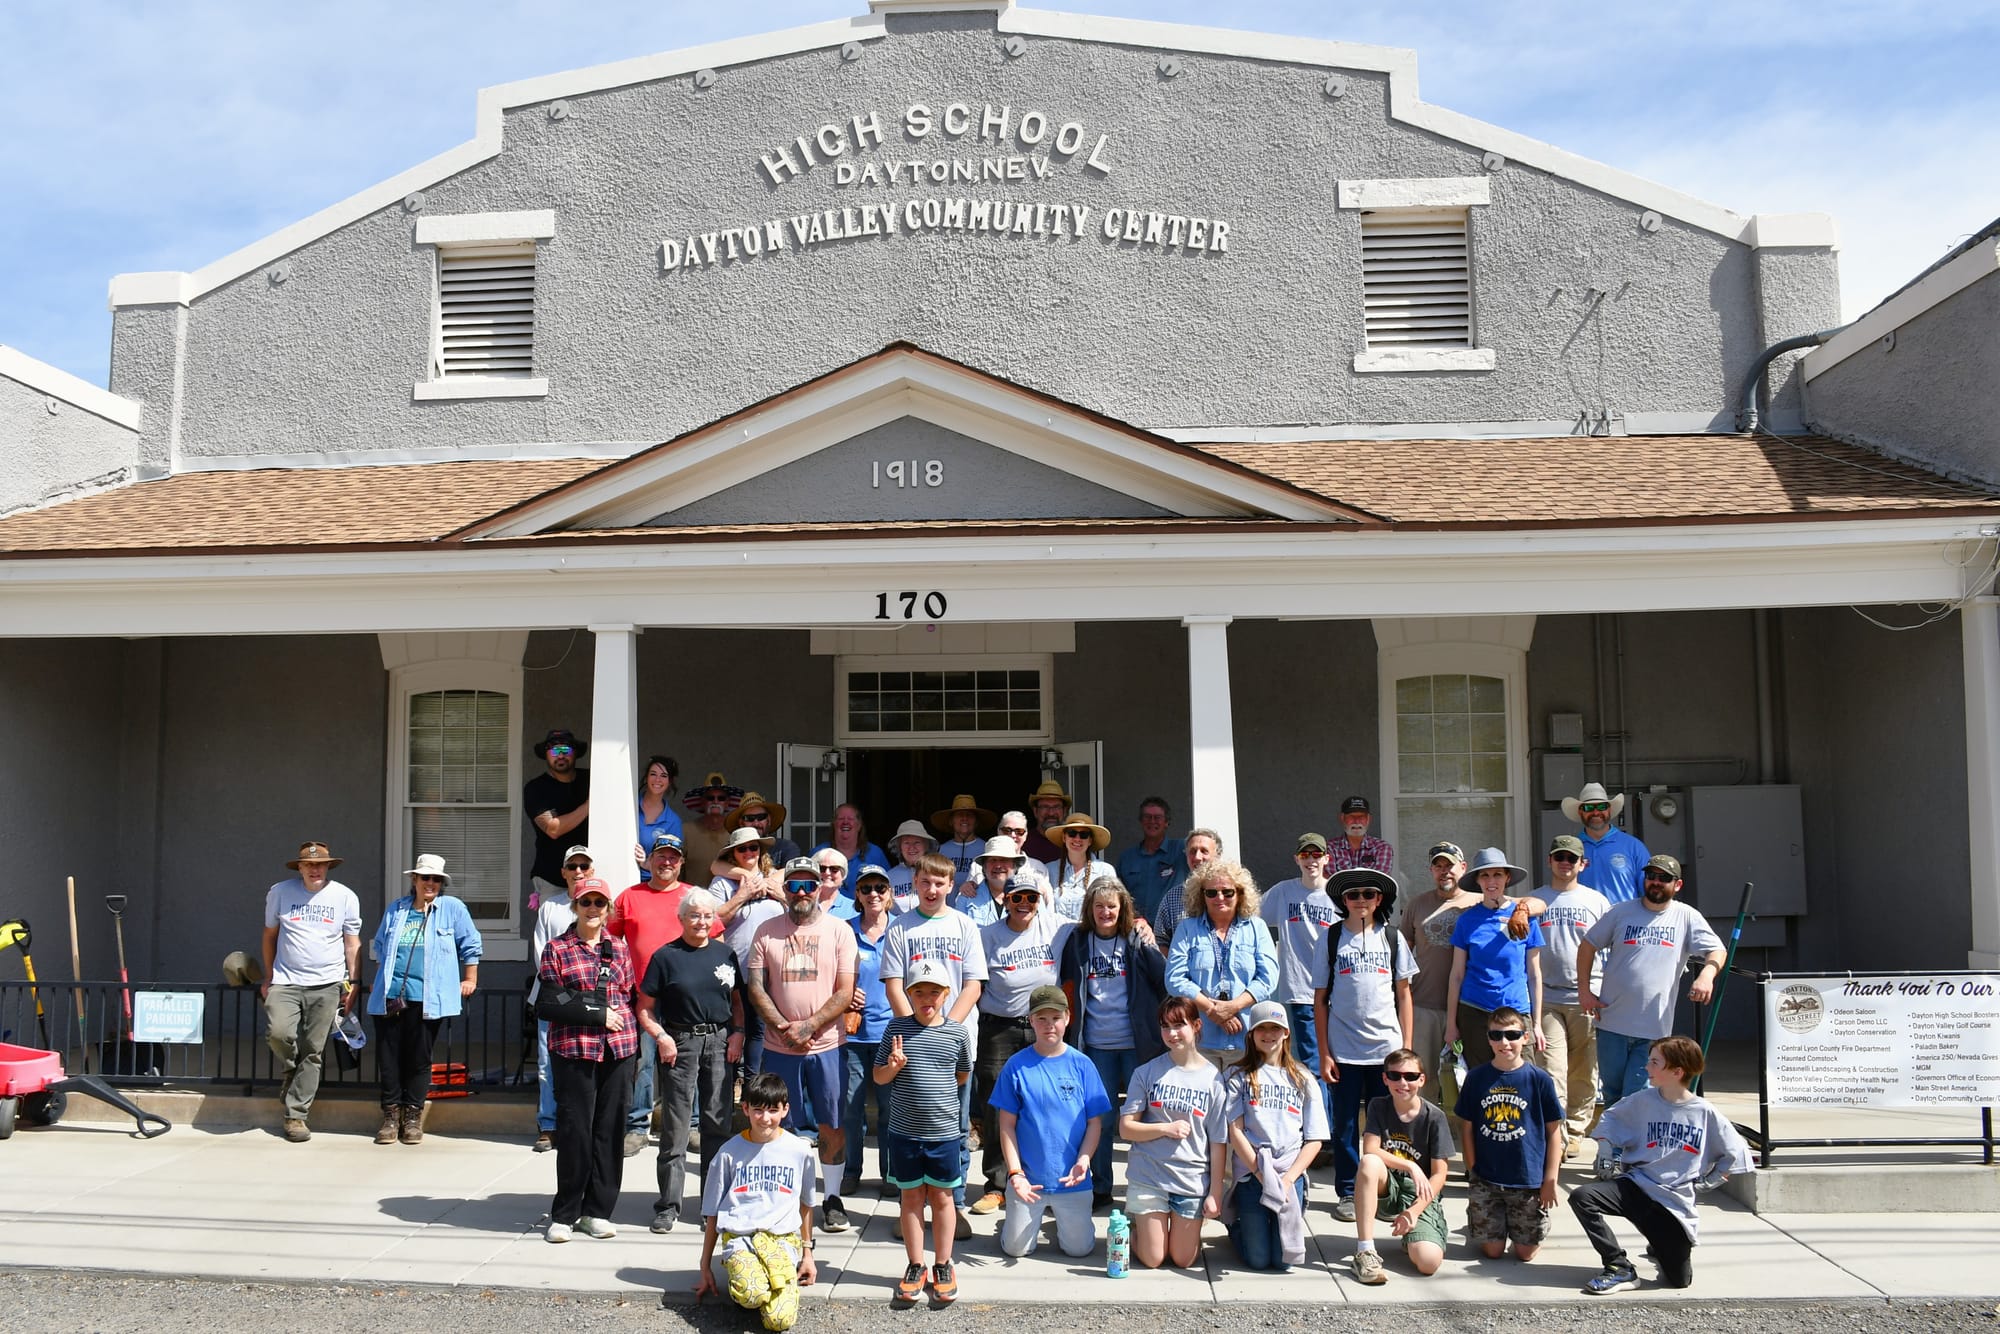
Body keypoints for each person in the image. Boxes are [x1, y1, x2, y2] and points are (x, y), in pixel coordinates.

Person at [1571, 1035, 1752, 1294]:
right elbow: (1611, 1119)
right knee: (1582, 1197)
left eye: (1655, 1062)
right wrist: (1606, 1149)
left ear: (1677, 1072)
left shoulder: (1704, 1112)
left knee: (1679, 1281)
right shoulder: (1642, 1100)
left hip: (1673, 1206)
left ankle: (1660, 1244)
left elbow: (1736, 1152)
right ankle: (1618, 1266)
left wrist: (1713, 1179)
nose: (1647, 1067)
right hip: (1635, 1188)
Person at [748, 855, 860, 1235]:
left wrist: (810, 1025)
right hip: (779, 1046)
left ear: (819, 888)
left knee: (832, 1123)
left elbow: (845, 990)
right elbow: (756, 987)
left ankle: (832, 1198)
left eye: (808, 885)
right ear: (784, 890)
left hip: (827, 1045)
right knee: (778, 1123)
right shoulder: (766, 931)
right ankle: (787, 1198)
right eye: (793, 885)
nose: (801, 892)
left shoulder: (839, 931)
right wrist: (784, 1027)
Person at [880, 853, 987, 1234]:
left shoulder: (965, 926)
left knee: (955, 1128)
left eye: (940, 883)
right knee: (909, 1127)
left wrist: (946, 1031)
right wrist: (915, 1030)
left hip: (955, 1043)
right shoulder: (900, 928)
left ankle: (954, 1206)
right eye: (925, 882)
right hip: (910, 1046)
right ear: (915, 882)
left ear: (951, 886)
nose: (932, 889)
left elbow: (973, 985)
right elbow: (894, 984)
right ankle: (911, 1206)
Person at [636, 888, 745, 1234]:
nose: (701, 921)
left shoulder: (726, 954)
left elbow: (737, 1001)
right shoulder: (665, 957)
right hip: (680, 1042)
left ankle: (712, 1206)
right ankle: (668, 1206)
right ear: (681, 918)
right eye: (694, 915)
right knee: (676, 1128)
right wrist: (662, 1037)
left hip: (719, 1042)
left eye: (708, 915)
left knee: (717, 1125)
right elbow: (644, 1007)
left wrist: (738, 1033)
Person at [1578, 854, 1726, 1103]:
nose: (1656, 882)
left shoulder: (1686, 916)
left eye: (1664, 878)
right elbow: (1588, 945)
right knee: (1612, 1094)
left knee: (1637, 1096)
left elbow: (1717, 950)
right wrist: (1584, 990)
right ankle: (1617, 1131)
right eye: (1651, 876)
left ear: (1677, 885)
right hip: (1611, 1022)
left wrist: (1706, 976)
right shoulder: (1621, 912)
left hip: (1653, 1030)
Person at [1312, 866, 1415, 1222]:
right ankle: (1348, 1190)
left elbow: (1404, 995)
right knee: (1344, 1125)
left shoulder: (1393, 938)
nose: (1360, 900)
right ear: (1343, 900)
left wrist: (1406, 1051)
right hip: (1344, 1050)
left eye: (1368, 894)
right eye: (1353, 895)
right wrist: (1324, 1053)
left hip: (1386, 1050)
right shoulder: (1330, 939)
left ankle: (1385, 1190)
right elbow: (1320, 1000)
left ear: (1379, 899)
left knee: (1386, 1125)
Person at [539, 875, 638, 1243]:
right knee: (575, 1131)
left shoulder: (620, 948)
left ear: (608, 908)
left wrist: (605, 1014)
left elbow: (626, 994)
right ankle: (565, 1213)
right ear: (575, 906)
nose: (592, 909)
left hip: (618, 1047)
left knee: (609, 1132)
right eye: (586, 902)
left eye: (599, 903)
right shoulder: (557, 948)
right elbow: (552, 999)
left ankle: (597, 1211)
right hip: (574, 1048)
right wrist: (596, 1013)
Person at [1060, 877, 1166, 1209]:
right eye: (1099, 906)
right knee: (1101, 1120)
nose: (1105, 912)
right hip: (1096, 1045)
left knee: (1142, 1118)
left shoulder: (1135, 939)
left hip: (1136, 1044)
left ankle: (1144, 1185)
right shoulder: (1078, 941)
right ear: (1089, 909)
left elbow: (1163, 980)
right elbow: (1067, 986)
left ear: (1122, 909)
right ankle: (1101, 1187)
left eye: (1112, 906)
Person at [968, 875, 1072, 1215]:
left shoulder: (1057, 927)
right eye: (1017, 898)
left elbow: (1099, 919)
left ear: (1040, 901)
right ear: (1005, 901)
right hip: (999, 1028)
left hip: (1044, 1028)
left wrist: (1140, 923)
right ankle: (998, 1185)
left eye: (1031, 897)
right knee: (997, 1106)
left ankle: (1048, 1183)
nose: (1024, 903)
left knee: (1047, 1104)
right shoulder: (986, 936)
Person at [875, 956, 974, 1307]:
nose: (927, 999)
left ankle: (943, 1264)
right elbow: (879, 1077)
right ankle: (916, 1264)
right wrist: (893, 1066)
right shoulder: (896, 1029)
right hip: (904, 1134)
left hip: (944, 1134)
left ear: (947, 994)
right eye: (919, 992)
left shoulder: (957, 1033)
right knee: (911, 1199)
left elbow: (962, 1074)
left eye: (934, 992)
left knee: (943, 1199)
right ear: (909, 994)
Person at [365, 853, 481, 1147]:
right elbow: (381, 947)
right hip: (391, 996)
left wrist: (470, 979)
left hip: (428, 998)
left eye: (436, 879)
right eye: (425, 877)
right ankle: (391, 1116)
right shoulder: (397, 909)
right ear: (414, 880)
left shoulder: (452, 908)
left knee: (419, 1058)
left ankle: (413, 1116)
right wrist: (379, 981)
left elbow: (470, 944)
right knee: (389, 1058)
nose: (430, 883)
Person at [992, 984, 1112, 1258]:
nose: (1049, 1025)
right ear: (1031, 1020)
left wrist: (1084, 1159)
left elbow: (1095, 1123)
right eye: (1041, 1018)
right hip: (1028, 1181)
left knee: (1079, 1250)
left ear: (1068, 1018)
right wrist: (1015, 1174)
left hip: (1071, 1180)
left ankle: (1060, 1222)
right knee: (1016, 1250)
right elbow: (1006, 1125)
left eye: (1056, 1018)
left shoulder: (1083, 1065)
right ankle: (1016, 1220)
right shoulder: (1015, 1066)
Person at [694, 1073, 819, 1332]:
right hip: (740, 1237)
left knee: (780, 1321)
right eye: (758, 1110)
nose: (765, 1118)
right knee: (751, 1294)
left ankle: (771, 1282)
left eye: (773, 1110)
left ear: (785, 1109)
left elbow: (806, 1205)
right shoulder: (728, 1153)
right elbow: (713, 1212)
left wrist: (808, 1255)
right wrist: (704, 1265)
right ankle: (752, 1285)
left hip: (782, 1239)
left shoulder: (800, 1151)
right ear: (745, 1109)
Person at [261, 840, 362, 1143]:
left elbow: (352, 943)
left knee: (313, 1051)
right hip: (286, 980)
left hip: (328, 983)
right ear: (300, 867)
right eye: (309, 864)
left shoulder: (345, 896)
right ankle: (291, 1071)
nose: (315, 869)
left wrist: (353, 983)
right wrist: (269, 976)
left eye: (320, 865)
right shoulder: (280, 892)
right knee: (279, 1033)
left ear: (328, 866)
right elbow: (269, 935)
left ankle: (296, 1116)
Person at [1119, 996, 1227, 1270]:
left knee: (1183, 1259)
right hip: (1149, 1177)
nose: (1172, 1033)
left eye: (1179, 1025)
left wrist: (1215, 1192)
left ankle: (1179, 1232)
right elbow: (1126, 1128)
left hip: (1190, 1181)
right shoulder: (1146, 1072)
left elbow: (1218, 1141)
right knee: (1153, 1259)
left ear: (1197, 1026)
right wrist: (1165, 1128)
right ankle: (1134, 1228)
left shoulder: (1214, 1080)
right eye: (1165, 1026)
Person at [1219, 1002, 1327, 1272]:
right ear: (1251, 1034)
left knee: (1283, 1261)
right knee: (1257, 1259)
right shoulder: (1237, 1076)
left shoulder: (1303, 1077)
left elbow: (1315, 1139)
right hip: (1252, 1172)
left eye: (1275, 1028)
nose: (1268, 1034)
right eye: (1262, 1028)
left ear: (1286, 1032)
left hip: (1289, 1174)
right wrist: (1259, 1173)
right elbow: (1235, 1130)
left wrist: (1288, 1180)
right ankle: (1236, 1224)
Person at [1454, 1005, 1564, 1263]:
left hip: (1527, 1179)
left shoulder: (1539, 1079)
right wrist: (1472, 1168)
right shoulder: (1476, 1077)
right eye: (1496, 1035)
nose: (1504, 1042)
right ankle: (1487, 1222)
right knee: (1493, 1251)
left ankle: (1523, 1227)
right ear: (1488, 1039)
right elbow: (1466, 1126)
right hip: (1487, 1177)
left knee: (1525, 1254)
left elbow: (1553, 1131)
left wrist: (1550, 1178)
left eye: (1512, 1035)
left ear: (1525, 1037)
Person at [1528, 834, 1611, 1157]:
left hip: (1586, 997)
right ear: (1549, 861)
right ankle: (1557, 1135)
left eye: (1571, 858)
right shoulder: (1534, 900)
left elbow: (1612, 950)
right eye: (1559, 857)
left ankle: (1576, 1130)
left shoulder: (1597, 901)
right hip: (1546, 997)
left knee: (1584, 1071)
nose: (1565, 863)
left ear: (1582, 864)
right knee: (1552, 1070)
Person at [613, 830, 693, 1157]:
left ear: (681, 863)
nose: (667, 862)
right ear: (650, 860)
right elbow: (611, 943)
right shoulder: (629, 897)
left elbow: (713, 938)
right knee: (643, 1062)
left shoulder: (692, 897)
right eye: (661, 856)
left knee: (685, 1063)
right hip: (643, 996)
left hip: (685, 997)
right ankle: (637, 1127)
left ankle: (690, 1125)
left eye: (673, 858)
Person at [1348, 1046, 1450, 1285]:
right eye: (1395, 1076)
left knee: (1428, 1263)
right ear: (1385, 1079)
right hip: (1389, 1186)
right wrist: (1411, 1166)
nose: (1402, 1083)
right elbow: (1370, 1148)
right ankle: (1365, 1251)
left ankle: (1419, 1234)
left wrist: (1413, 1211)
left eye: (1410, 1076)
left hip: (1419, 1193)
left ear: (1422, 1080)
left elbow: (1439, 1175)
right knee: (1369, 1162)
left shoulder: (1434, 1117)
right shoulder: (1378, 1106)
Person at [1165, 859, 1277, 1067]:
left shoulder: (1257, 928)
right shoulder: (1187, 929)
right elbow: (1174, 980)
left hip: (1248, 1040)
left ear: (1240, 893)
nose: (1220, 898)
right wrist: (1212, 1010)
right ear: (1201, 895)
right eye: (1211, 893)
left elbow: (1268, 979)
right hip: (1200, 1041)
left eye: (1227, 892)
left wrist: (1233, 1006)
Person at [1445, 847, 1545, 1070]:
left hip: (1515, 1009)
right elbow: (1456, 975)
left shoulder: (1525, 917)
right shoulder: (1467, 920)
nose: (1491, 881)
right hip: (1475, 1009)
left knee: (1522, 1077)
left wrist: (1537, 1024)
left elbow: (1534, 975)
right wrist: (1451, 1024)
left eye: (1498, 874)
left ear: (1507, 878)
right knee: (1480, 1078)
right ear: (1477, 880)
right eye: (1485, 875)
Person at [1399, 842, 1479, 1106]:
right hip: (1424, 1005)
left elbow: (1522, 904)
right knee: (1424, 1078)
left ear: (1463, 868)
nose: (1444, 871)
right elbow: (1401, 954)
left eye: (1450, 865)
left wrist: (1524, 908)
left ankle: (1463, 1129)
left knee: (1468, 1079)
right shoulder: (1417, 904)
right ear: (1431, 871)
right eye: (1438, 866)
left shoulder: (1478, 903)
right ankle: (1426, 1127)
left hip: (1469, 1005)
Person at [1260, 833, 1339, 1081]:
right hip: (1301, 990)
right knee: (1313, 1061)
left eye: (1317, 854)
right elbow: (1251, 917)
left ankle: (1331, 1106)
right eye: (1305, 854)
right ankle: (1321, 1106)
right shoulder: (1283, 892)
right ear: (1297, 859)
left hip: (1337, 991)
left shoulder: (1338, 895)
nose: (1311, 860)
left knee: (1338, 1059)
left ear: (1326, 858)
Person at [841, 864, 899, 1198]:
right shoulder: (844, 930)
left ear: (889, 893)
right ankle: (851, 1171)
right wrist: (844, 994)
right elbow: (829, 973)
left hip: (892, 1033)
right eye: (866, 888)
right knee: (852, 1108)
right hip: (852, 1035)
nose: (873, 894)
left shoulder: (902, 930)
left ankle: (891, 1173)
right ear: (857, 894)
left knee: (892, 1108)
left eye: (880, 888)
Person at [529, 845, 588, 1151]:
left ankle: (580, 1124)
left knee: (585, 1064)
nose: (578, 871)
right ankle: (549, 1125)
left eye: (584, 866)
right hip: (552, 999)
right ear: (563, 872)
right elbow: (541, 953)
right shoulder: (550, 907)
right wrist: (564, 992)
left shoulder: (597, 904)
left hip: (589, 1001)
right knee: (546, 1065)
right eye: (573, 866)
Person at [715, 824, 784, 1080]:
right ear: (733, 854)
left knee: (760, 1030)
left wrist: (779, 893)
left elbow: (799, 911)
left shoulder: (775, 878)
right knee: (734, 1028)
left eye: (753, 847)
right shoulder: (722, 882)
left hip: (772, 969)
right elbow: (713, 919)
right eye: (742, 849)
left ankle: (753, 1088)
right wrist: (742, 895)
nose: (748, 853)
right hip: (734, 967)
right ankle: (729, 1087)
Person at [523, 729, 589, 913]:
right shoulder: (536, 788)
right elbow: (553, 829)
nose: (560, 756)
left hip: (588, 873)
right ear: (546, 755)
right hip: (551, 876)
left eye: (565, 750)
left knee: (590, 926)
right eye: (554, 750)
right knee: (553, 926)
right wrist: (590, 804)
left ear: (575, 753)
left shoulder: (591, 779)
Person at [1564, 782, 1650, 905]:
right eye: (1589, 807)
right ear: (1580, 812)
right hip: (1584, 917)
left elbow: (1648, 891)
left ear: (1609, 809)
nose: (1596, 812)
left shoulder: (1634, 847)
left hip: (1624, 917)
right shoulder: (1570, 850)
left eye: (1601, 807)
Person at [1115, 796, 1186, 923]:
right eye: (1147, 817)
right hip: (1136, 927)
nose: (1152, 821)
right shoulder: (1127, 858)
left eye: (1157, 817)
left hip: (1172, 928)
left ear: (1167, 822)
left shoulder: (1181, 850)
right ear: (1141, 821)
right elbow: (1118, 895)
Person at [1147, 826, 1222, 940]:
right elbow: (1161, 939)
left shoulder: (1230, 894)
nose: (1197, 857)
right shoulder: (1172, 897)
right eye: (1192, 851)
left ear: (1217, 856)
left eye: (1204, 851)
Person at [1042, 812, 1115, 919]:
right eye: (1072, 833)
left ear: (1090, 841)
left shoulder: (1105, 871)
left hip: (1090, 930)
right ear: (1064, 837)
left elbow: (1111, 908)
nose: (1077, 839)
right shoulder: (1048, 870)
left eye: (1084, 835)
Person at [681, 772, 744, 885]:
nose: (715, 801)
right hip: (693, 895)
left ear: (727, 803)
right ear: (702, 802)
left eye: (721, 798)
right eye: (710, 798)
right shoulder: (685, 830)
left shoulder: (736, 833)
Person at [812, 803, 887, 897]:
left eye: (850, 819)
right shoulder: (819, 853)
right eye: (841, 819)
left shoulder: (875, 854)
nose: (845, 822)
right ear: (834, 824)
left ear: (859, 825)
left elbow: (887, 887)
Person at [953, 833, 1020, 927]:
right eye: (993, 860)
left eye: (1004, 860)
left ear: (1014, 866)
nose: (998, 866)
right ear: (984, 867)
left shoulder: (1029, 897)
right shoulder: (966, 897)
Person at [634, 754, 683, 880]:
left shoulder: (673, 821)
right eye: (653, 774)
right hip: (619, 875)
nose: (657, 780)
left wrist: (647, 864)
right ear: (646, 778)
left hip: (653, 883)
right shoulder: (629, 805)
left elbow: (673, 861)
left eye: (663, 776)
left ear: (670, 781)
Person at [932, 793, 995, 884]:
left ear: (976, 822)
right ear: (951, 821)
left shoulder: (987, 849)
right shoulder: (941, 850)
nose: (964, 818)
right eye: (959, 815)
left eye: (969, 815)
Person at [1327, 796, 1394, 873]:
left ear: (1368, 819)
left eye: (1361, 817)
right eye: (1351, 817)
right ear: (1342, 818)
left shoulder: (1382, 847)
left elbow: (1379, 878)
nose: (1356, 821)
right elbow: (1332, 879)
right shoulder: (1330, 847)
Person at [735, 791, 801, 866]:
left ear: (768, 820)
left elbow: (791, 871)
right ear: (741, 823)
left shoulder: (786, 847)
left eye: (761, 817)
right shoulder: (731, 851)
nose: (756, 823)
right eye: (750, 818)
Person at [886, 819, 938, 905]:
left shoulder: (937, 873)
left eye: (917, 842)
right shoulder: (889, 877)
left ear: (926, 846)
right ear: (899, 847)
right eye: (906, 843)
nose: (911, 847)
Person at [1021, 779, 1073, 863]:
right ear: (1035, 811)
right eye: (1045, 807)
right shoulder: (1022, 842)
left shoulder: (1074, 843)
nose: (1051, 813)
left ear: (1064, 811)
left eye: (1056, 807)